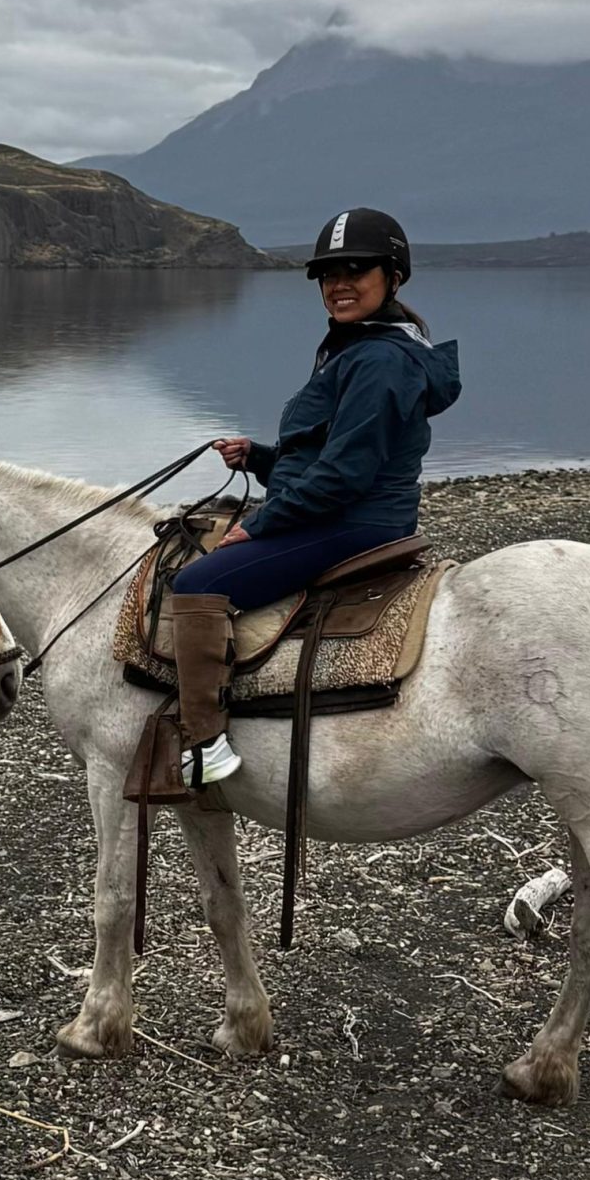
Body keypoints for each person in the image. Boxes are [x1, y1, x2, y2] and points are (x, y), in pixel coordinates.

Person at [168, 205, 460, 787]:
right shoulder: (359, 347)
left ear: (392, 277)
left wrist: (264, 522)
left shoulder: (378, 358)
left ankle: (206, 743)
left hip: (354, 520)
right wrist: (259, 458)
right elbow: (325, 457)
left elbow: (346, 475)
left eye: (356, 271)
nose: (339, 285)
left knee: (196, 584)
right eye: (329, 274)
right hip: (346, 508)